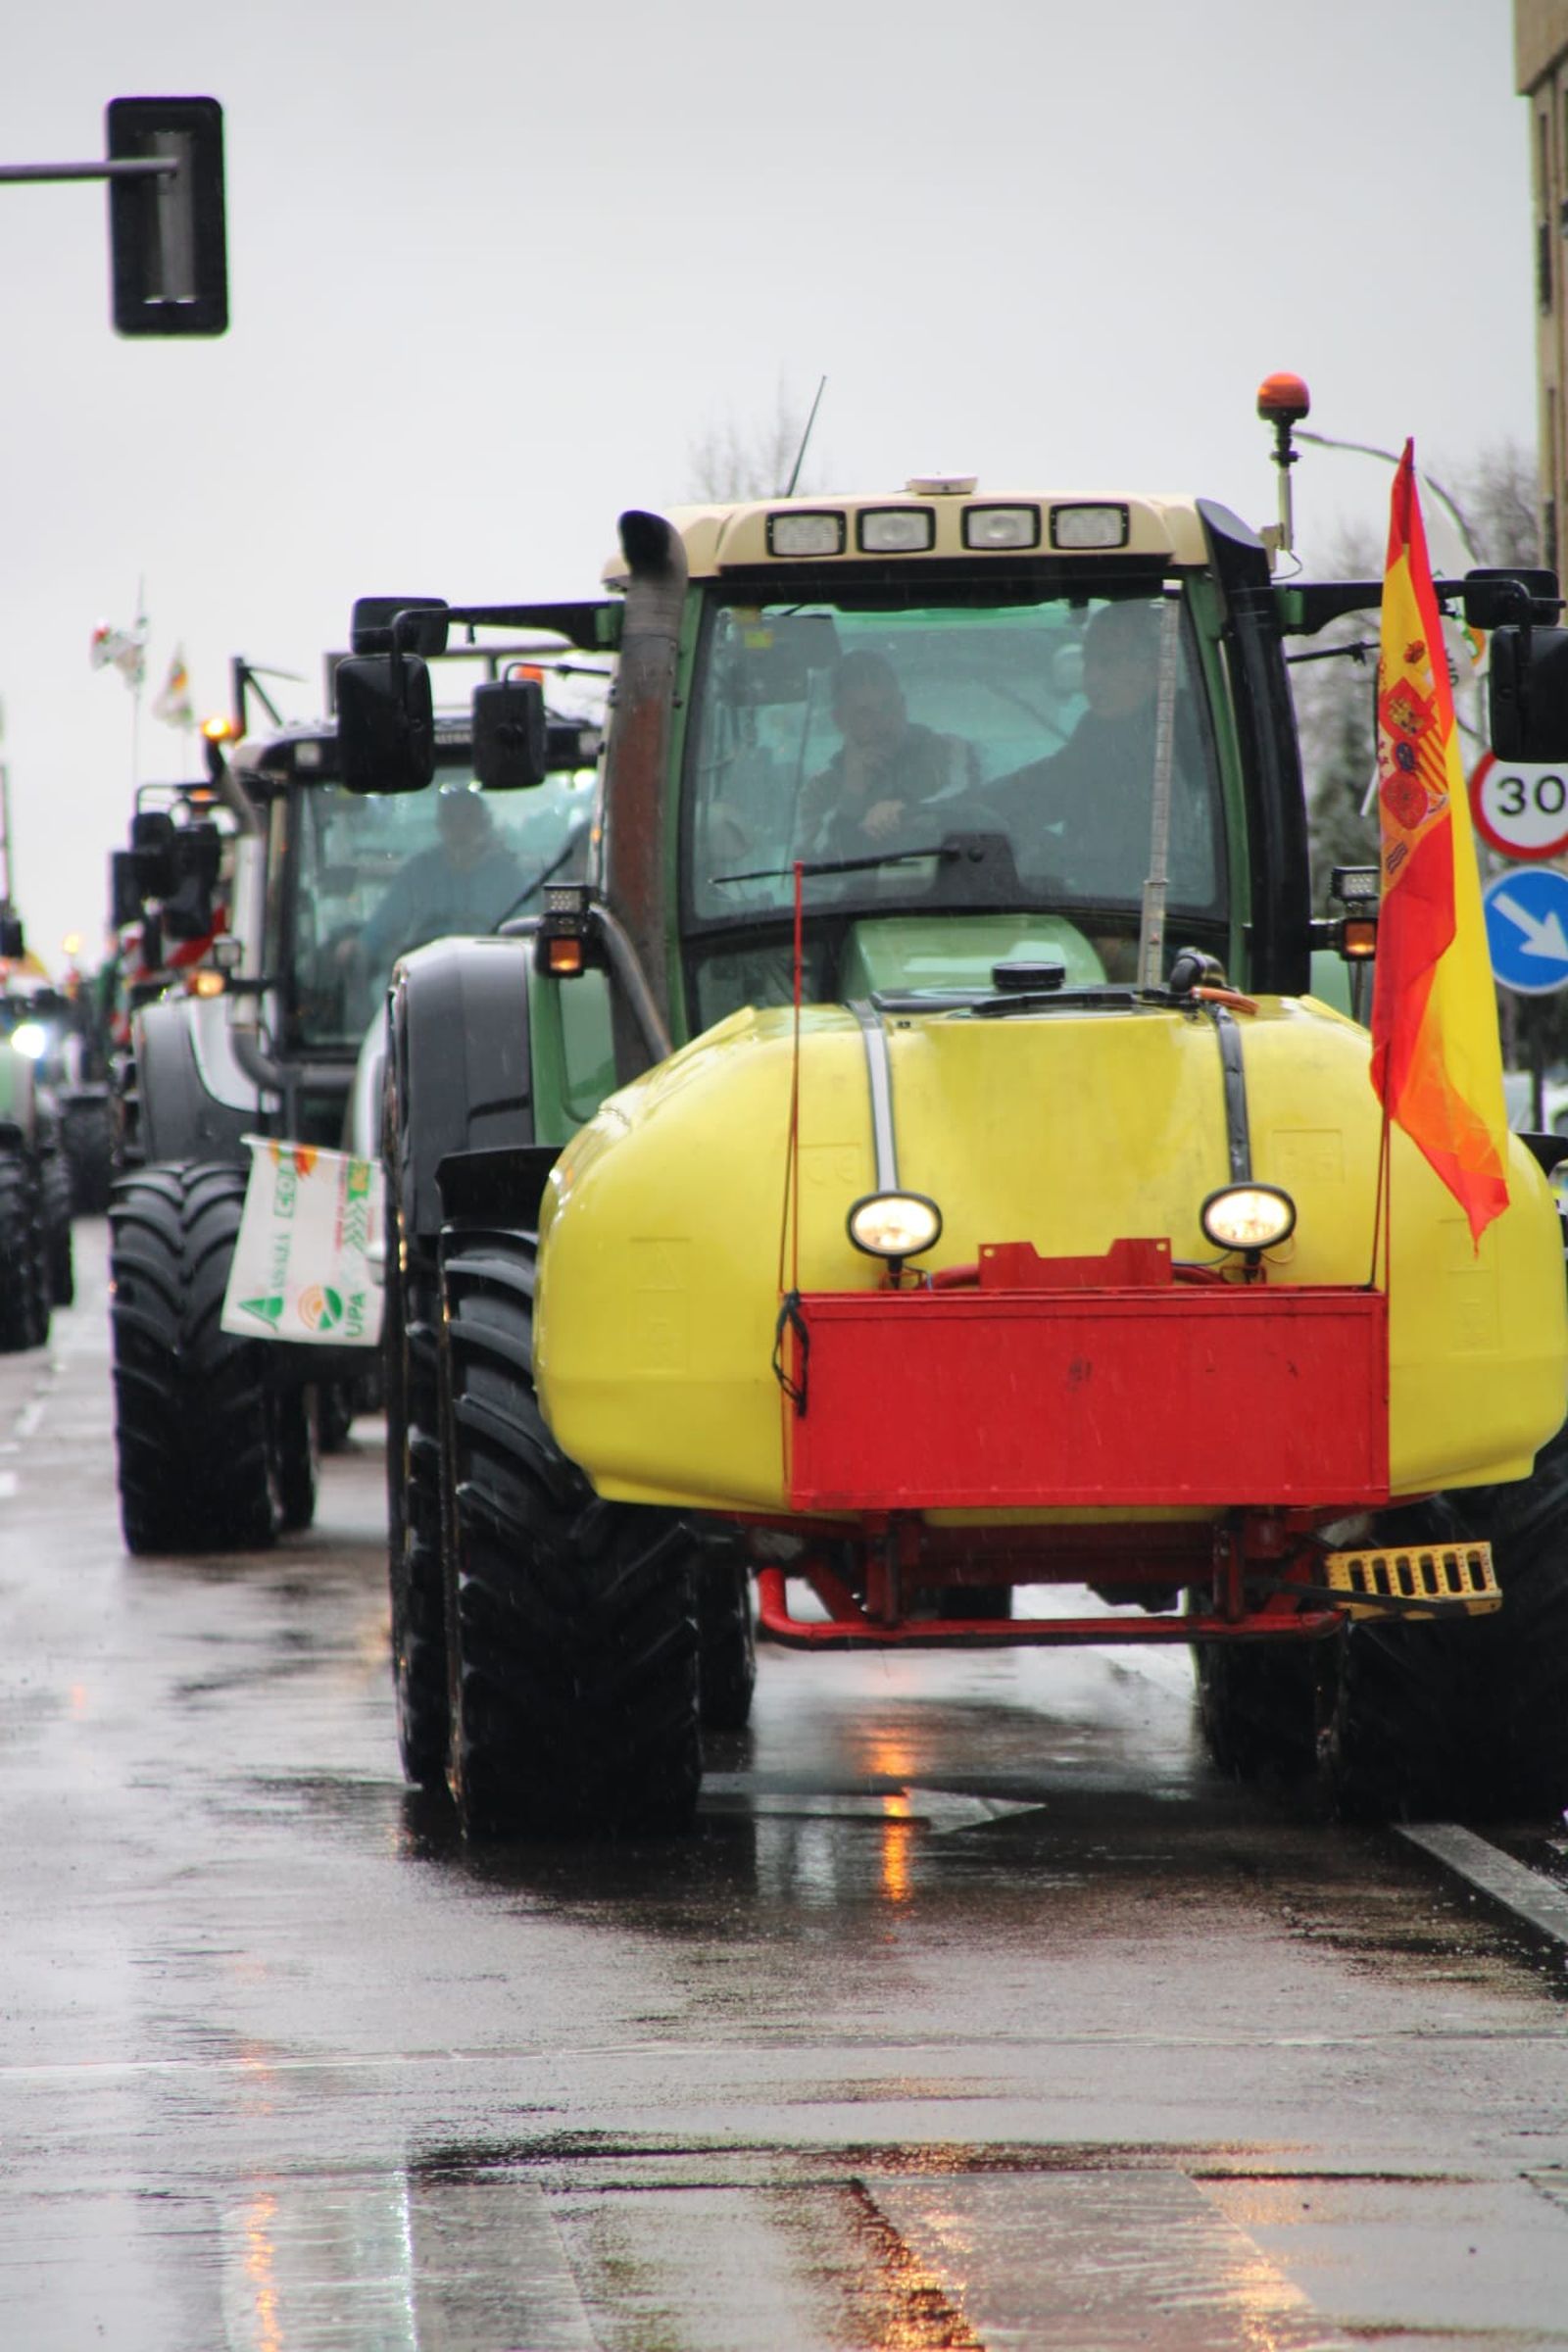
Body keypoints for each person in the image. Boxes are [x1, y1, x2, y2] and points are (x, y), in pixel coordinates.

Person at [990, 600, 1218, 910]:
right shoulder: (1104, 734)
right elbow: (1038, 790)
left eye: (1108, 662)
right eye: (1088, 662)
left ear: (1156, 668)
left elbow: (1153, 855)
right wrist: (944, 817)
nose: (1090, 680)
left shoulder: (1190, 740)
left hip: (1159, 923)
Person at [797, 651, 974, 859]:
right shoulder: (818, 792)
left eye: (889, 706)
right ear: (839, 720)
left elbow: (976, 804)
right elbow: (812, 868)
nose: (883, 722)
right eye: (865, 712)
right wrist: (852, 794)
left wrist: (908, 810)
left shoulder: (951, 752)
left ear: (903, 704)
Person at [341, 784, 526, 977]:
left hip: (494, 975)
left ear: (484, 825)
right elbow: (385, 923)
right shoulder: (418, 873)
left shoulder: (508, 876)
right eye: (451, 821)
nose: (459, 830)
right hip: (426, 976)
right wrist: (360, 946)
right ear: (440, 826)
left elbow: (526, 934)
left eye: (468, 820)